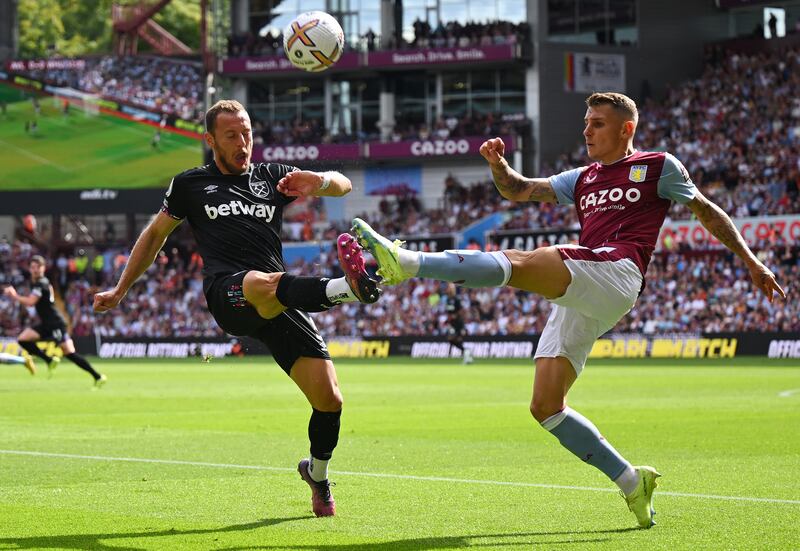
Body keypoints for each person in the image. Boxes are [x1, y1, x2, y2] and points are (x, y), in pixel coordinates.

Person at [347, 92, 786, 528]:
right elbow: (518, 190)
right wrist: (499, 166)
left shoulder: (657, 166)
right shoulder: (584, 177)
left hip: (618, 272)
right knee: (546, 405)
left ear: (625, 128)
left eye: (597, 122)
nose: (586, 129)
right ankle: (632, 481)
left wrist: (752, 262)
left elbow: (706, 211)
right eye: (586, 120)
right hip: (586, 285)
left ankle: (407, 263)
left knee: (521, 261)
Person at [93, 99, 381, 518]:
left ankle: (316, 474)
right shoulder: (190, 185)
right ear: (210, 140)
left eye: (247, 132)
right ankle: (347, 289)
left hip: (279, 298)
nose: (243, 142)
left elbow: (343, 184)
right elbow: (155, 235)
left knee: (330, 399)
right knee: (257, 283)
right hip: (229, 293)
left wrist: (316, 180)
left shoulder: (272, 178)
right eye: (231, 135)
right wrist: (120, 289)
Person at [4, 255, 107, 386]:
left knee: (70, 353)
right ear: (30, 269)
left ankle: (97, 377)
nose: (35, 270)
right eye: (33, 267)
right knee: (23, 339)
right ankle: (49, 360)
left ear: (43, 268)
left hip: (55, 324)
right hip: (46, 323)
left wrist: (14, 296)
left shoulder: (42, 283)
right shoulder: (38, 283)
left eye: (38, 267)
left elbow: (31, 302)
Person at [443, 283, 472, 364]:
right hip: (452, 323)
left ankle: (466, 355)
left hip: (458, 323)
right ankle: (466, 353)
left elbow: (461, 311)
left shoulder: (456, 299)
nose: (447, 289)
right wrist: (447, 320)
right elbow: (449, 312)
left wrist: (455, 316)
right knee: (451, 339)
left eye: (448, 288)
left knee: (456, 339)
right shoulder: (448, 300)